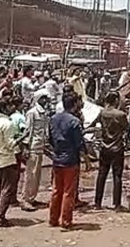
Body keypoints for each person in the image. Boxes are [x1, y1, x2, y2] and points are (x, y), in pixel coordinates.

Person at [48, 93, 83, 229]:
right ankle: (66, 221)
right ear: (74, 104)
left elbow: (50, 138)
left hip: (57, 158)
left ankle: (53, 220)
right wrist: (85, 157)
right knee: (69, 191)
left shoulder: (54, 119)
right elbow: (78, 143)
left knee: (57, 190)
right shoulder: (74, 121)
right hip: (71, 159)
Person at [0, 96, 23, 227]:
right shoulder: (8, 124)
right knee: (7, 189)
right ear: (5, 107)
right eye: (10, 105)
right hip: (7, 159)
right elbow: (10, 144)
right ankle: (0, 217)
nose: (13, 107)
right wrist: (21, 138)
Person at [87, 92, 127, 210]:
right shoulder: (120, 114)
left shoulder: (102, 113)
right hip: (117, 148)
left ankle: (97, 203)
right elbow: (127, 127)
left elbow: (94, 124)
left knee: (102, 175)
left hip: (105, 147)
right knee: (117, 176)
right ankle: (117, 204)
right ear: (115, 100)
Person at [21, 90, 50, 212]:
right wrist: (26, 147)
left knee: (36, 175)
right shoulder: (32, 113)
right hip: (32, 147)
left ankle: (32, 197)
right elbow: (28, 130)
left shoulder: (44, 113)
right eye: (44, 98)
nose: (46, 100)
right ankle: (25, 199)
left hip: (40, 146)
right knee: (30, 175)